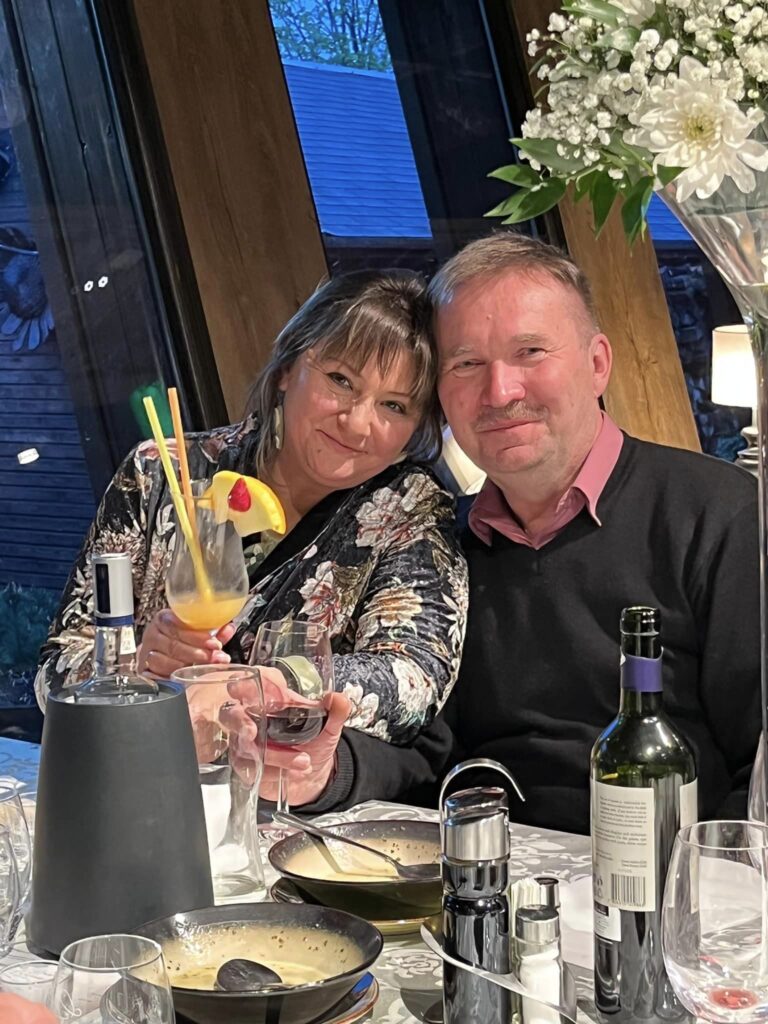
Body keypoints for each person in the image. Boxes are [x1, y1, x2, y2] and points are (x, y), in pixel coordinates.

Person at [267, 232, 761, 832]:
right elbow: (425, 754)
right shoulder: (439, 544)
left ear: (598, 364)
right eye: (467, 364)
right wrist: (324, 772)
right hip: (479, 870)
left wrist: (710, 878)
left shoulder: (721, 515)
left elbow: (760, 764)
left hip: (671, 874)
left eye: (530, 352)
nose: (500, 392)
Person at [35, 270, 468, 805]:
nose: (358, 424)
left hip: (275, 813)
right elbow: (55, 669)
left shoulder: (410, 508)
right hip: (128, 794)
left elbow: (413, 677)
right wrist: (134, 668)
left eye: (394, 406)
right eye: (341, 380)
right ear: (287, 369)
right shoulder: (159, 475)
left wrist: (256, 683)